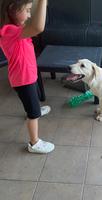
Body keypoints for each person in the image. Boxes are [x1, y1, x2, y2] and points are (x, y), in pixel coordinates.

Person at [0, 0, 55, 153]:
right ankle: (34, 143)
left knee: (34, 98)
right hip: (23, 80)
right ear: (13, 10)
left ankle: (35, 107)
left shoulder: (17, 28)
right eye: (28, 10)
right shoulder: (8, 31)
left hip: (29, 74)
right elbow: (38, 27)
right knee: (33, 114)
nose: (30, 14)